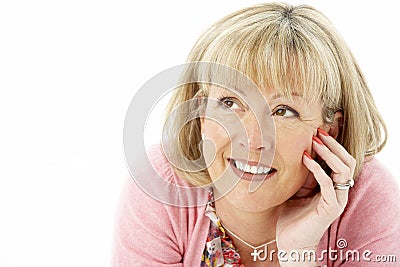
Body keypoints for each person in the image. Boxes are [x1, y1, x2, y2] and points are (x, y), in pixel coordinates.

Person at [112, 3, 400, 266]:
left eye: (284, 111)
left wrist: (299, 255)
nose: (251, 139)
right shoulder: (164, 183)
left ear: (329, 131)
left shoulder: (367, 198)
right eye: (229, 103)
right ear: (200, 112)